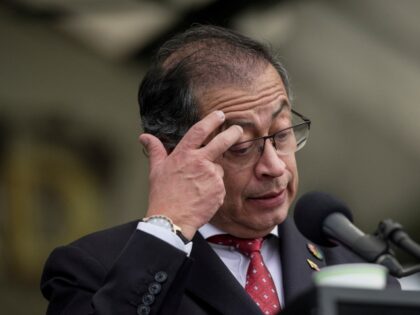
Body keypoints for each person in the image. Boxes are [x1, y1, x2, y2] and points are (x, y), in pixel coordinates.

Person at [41, 25, 397, 315]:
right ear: (173, 153)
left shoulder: (350, 261)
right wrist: (168, 230)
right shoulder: (91, 268)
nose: (273, 166)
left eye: (283, 133)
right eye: (240, 147)